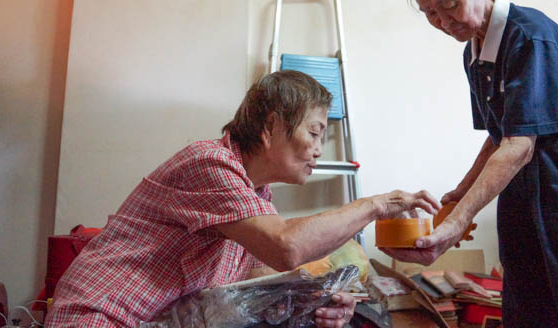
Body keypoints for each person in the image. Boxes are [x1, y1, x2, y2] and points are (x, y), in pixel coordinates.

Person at [45, 70, 440, 328]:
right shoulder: (209, 163)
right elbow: (287, 247)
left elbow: (257, 276)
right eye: (315, 132)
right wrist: (374, 205)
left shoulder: (255, 194)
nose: (319, 149)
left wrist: (319, 299)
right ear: (271, 127)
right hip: (99, 318)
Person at [382, 0, 558, 327]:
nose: (443, 22)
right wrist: (460, 192)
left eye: (449, 6)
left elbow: (519, 144)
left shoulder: (529, 36)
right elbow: (498, 135)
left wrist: (458, 220)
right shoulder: (473, 52)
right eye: (430, 14)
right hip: (523, 169)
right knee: (523, 281)